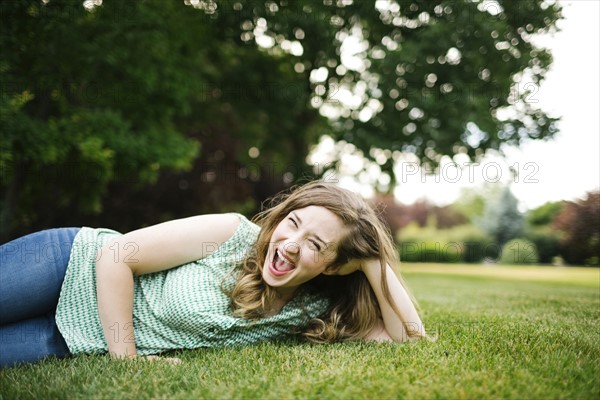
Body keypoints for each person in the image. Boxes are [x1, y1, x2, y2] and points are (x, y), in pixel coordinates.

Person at [0, 180, 426, 368]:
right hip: (65, 266)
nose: (291, 244)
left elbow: (408, 338)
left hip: (70, 340)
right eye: (293, 224)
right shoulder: (230, 234)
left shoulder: (310, 311)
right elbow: (117, 254)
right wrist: (125, 358)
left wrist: (373, 259)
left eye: (316, 245)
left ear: (334, 267)